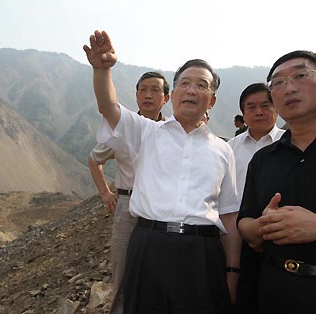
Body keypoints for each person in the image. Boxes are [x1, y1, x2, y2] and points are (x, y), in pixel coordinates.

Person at [83, 30, 241, 314]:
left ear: (212, 100)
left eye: (201, 85)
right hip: (149, 245)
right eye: (185, 83)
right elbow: (108, 107)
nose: (192, 90)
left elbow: (229, 215)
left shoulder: (223, 150)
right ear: (174, 94)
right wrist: (101, 71)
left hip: (201, 251)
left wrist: (232, 271)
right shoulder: (146, 132)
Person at [237, 50, 316, 314]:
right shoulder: (264, 159)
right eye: (277, 83)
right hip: (273, 291)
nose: (288, 88)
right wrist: (263, 227)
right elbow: (244, 223)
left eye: (300, 75)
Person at [87, 71, 169, 314]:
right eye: (143, 89)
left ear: (166, 98)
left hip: (161, 209)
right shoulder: (123, 128)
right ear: (135, 96)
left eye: (155, 90)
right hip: (128, 205)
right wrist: (105, 193)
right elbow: (94, 159)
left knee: (160, 272)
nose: (148, 95)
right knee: (122, 271)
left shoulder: (173, 131)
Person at [227, 83, 285, 314]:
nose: (258, 111)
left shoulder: (289, 143)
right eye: (251, 107)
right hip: (235, 236)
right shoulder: (230, 148)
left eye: (265, 105)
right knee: (242, 296)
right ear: (243, 113)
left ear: (277, 109)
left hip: (280, 237)